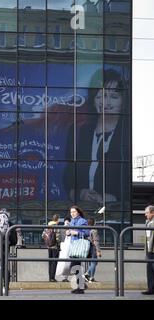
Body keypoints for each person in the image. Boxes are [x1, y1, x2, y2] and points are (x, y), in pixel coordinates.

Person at [65, 69, 129, 207]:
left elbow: (127, 179)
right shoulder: (79, 132)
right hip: (83, 208)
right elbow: (68, 176)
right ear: (93, 100)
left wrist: (115, 197)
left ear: (124, 101)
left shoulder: (127, 134)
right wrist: (80, 193)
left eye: (113, 96)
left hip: (115, 211)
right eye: (100, 96)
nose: (106, 102)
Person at [67, 205, 90, 294]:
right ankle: (81, 286)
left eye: (74, 212)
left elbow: (86, 233)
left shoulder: (82, 221)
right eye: (71, 212)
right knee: (75, 266)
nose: (72, 214)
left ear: (78, 212)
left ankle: (81, 286)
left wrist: (76, 232)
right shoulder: (72, 221)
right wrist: (68, 232)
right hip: (73, 246)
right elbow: (70, 232)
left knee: (74, 265)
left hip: (79, 246)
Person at [42, 214, 61, 282]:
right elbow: (58, 237)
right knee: (54, 262)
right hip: (55, 246)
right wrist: (59, 243)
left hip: (49, 247)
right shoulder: (56, 226)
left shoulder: (47, 226)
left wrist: (47, 242)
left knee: (50, 262)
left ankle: (50, 277)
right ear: (57, 219)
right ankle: (52, 278)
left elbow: (43, 235)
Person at [142, 205, 154, 295]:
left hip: (152, 250)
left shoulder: (152, 223)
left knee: (151, 269)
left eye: (147, 213)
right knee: (149, 269)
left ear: (152, 212)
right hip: (150, 250)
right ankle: (151, 289)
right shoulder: (148, 222)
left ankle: (151, 289)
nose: (145, 215)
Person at [84, 217, 101, 282]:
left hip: (87, 247)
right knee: (94, 262)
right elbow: (96, 241)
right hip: (93, 247)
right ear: (93, 223)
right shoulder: (94, 230)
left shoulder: (86, 230)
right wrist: (98, 251)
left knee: (93, 262)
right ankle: (90, 276)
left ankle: (89, 275)